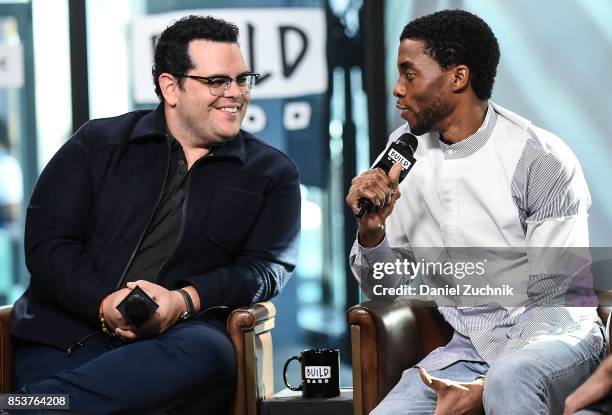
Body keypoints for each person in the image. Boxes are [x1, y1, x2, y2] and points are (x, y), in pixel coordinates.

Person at [10, 15, 300, 414]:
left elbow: (266, 269)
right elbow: (47, 245)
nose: (236, 94)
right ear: (170, 87)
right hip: (68, 337)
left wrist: (182, 301)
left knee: (211, 354)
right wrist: (103, 303)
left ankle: (29, 408)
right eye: (218, 81)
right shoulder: (97, 145)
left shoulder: (272, 173)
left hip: (177, 343)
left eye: (242, 79)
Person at [346, 9, 605, 415]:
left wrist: (485, 387)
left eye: (409, 73)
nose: (397, 89)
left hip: (555, 336)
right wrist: (372, 232)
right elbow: (386, 286)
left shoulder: (539, 159)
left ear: (457, 77)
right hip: (467, 350)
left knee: (510, 379)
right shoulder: (404, 152)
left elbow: (555, 301)